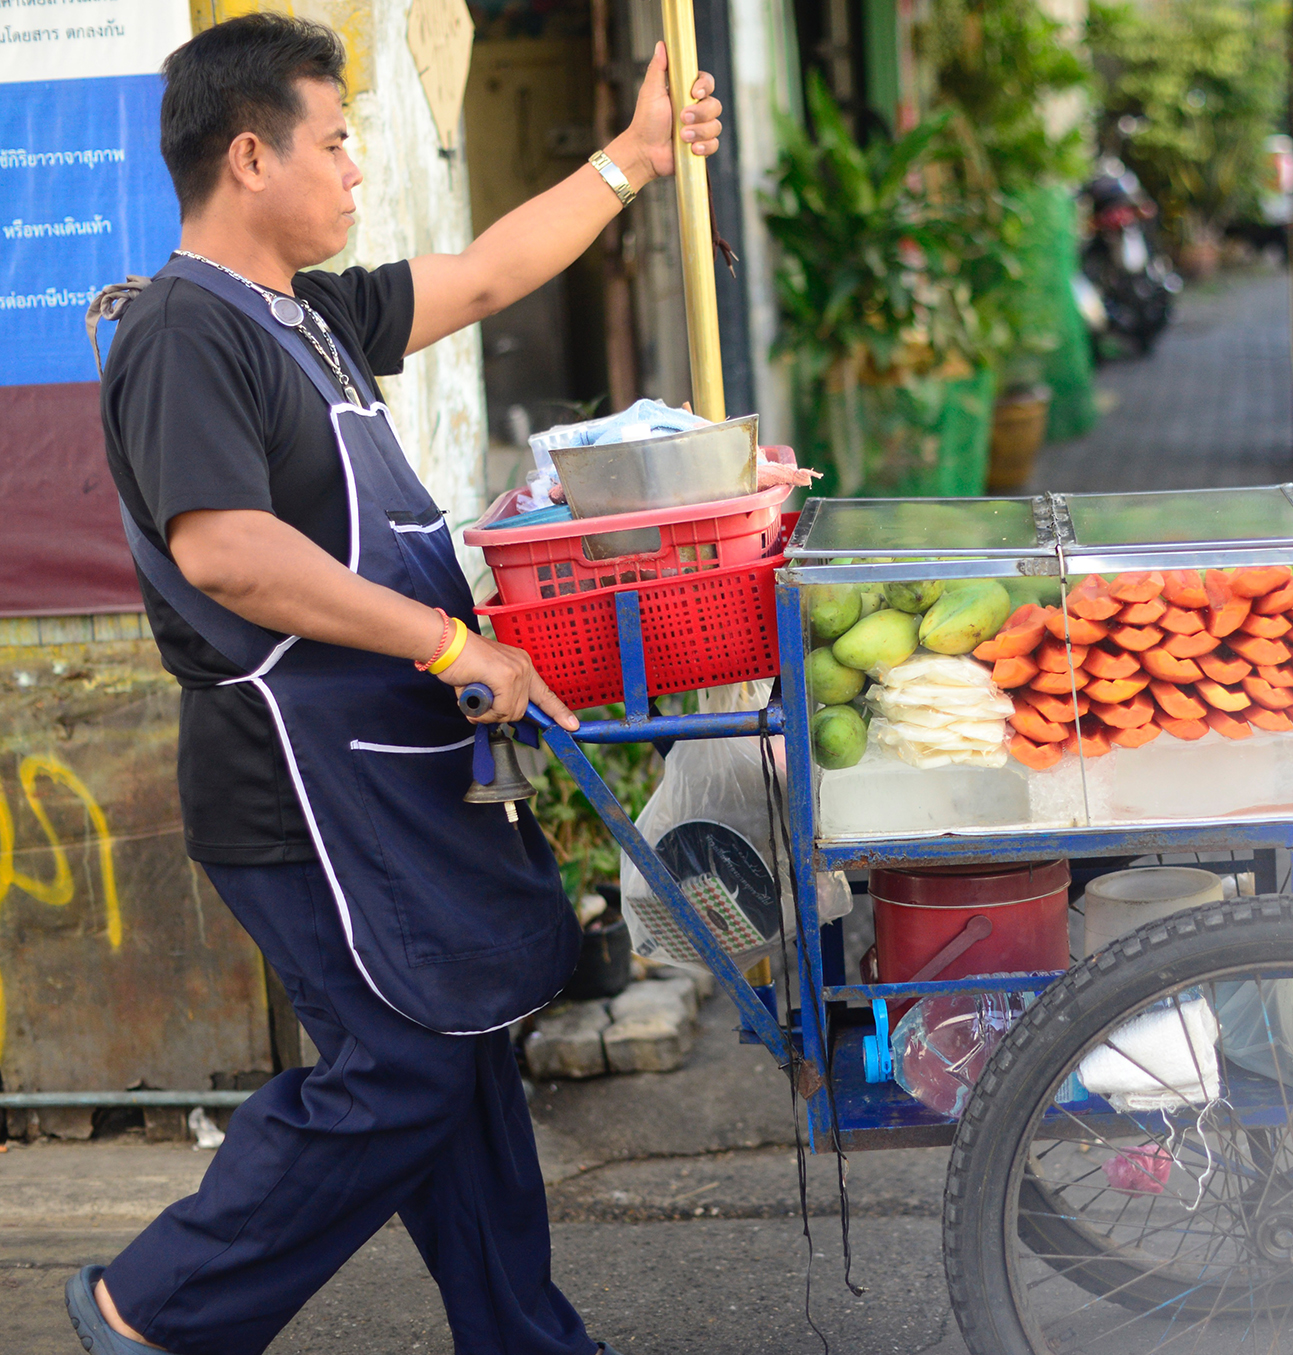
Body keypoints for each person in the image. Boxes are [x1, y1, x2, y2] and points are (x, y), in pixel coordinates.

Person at [71, 15, 722, 1355]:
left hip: (386, 767)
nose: (358, 167)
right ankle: (155, 1307)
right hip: (295, 785)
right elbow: (230, 552)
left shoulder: (305, 317)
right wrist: (447, 643)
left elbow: (485, 275)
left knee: (461, 1049)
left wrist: (634, 159)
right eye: (336, 141)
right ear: (250, 157)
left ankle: (526, 1338)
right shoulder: (188, 331)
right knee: (402, 1066)